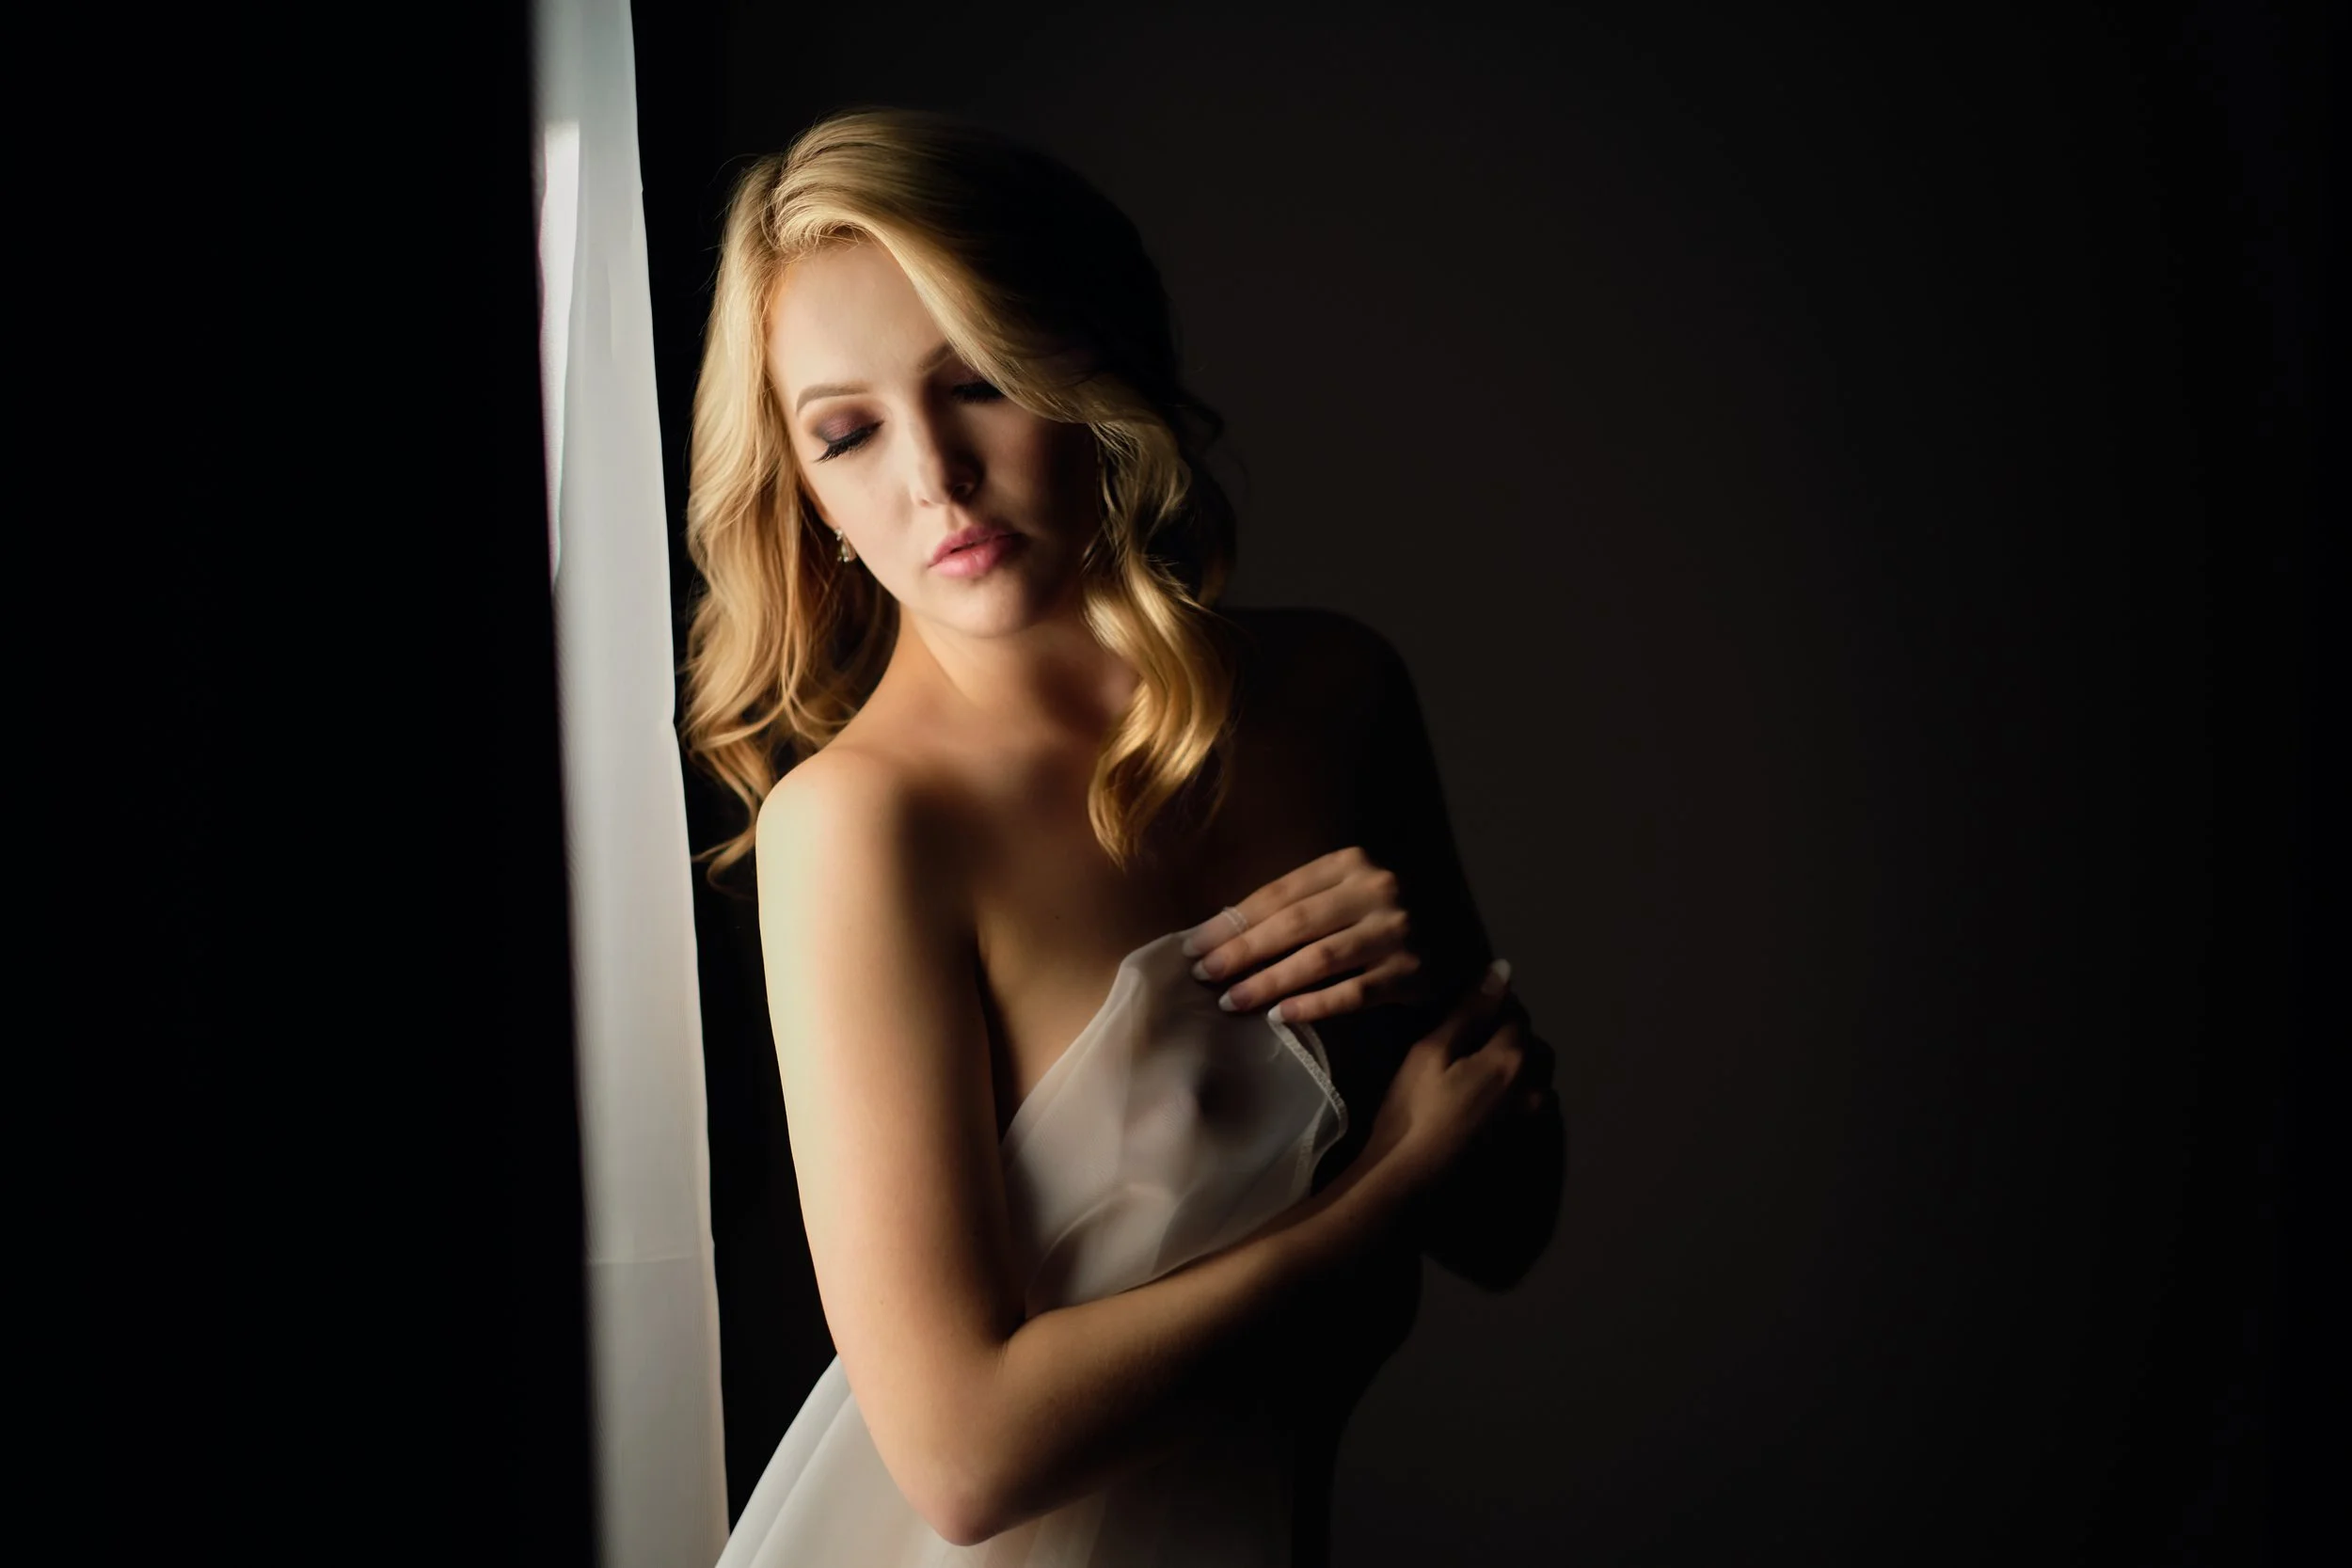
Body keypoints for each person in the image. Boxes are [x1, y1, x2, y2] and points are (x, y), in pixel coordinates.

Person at [680, 105, 1564, 1568]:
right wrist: (1381, 1190)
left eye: (975, 380)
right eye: (847, 431)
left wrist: (1408, 1010)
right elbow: (964, 1460)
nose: (934, 478)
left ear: (1088, 368)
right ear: (807, 494)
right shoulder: (863, 825)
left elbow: (1508, 1225)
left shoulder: (1334, 696)